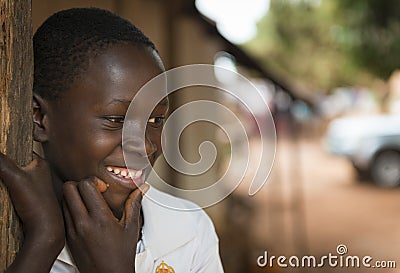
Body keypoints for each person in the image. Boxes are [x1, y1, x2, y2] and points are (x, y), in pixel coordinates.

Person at [0, 8, 224, 273]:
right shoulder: (10, 234)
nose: (147, 146)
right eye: (116, 120)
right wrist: (44, 240)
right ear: (38, 118)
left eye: (155, 121)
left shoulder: (187, 230)